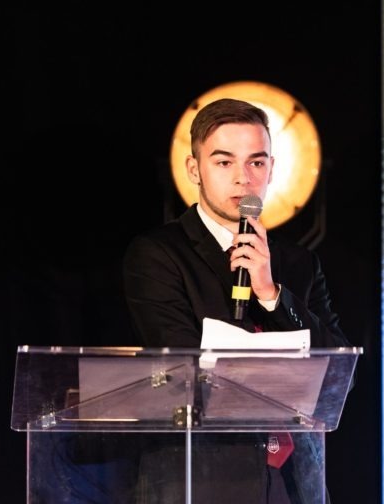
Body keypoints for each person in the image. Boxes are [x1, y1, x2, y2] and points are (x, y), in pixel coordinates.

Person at [122, 97, 351, 503]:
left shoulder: (298, 263)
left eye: (256, 163)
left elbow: (335, 372)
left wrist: (270, 294)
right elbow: (183, 367)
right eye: (224, 162)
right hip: (202, 477)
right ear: (195, 169)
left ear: (271, 170)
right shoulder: (158, 254)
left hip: (293, 481)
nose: (243, 179)